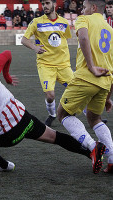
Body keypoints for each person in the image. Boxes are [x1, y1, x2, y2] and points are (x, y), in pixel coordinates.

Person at [57, 0, 113, 173]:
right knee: (94, 119)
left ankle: (92, 147)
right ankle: (112, 159)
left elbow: (82, 37)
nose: (82, 9)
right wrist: (109, 96)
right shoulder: (111, 30)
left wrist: (90, 67)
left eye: (85, 6)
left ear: (93, 8)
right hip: (105, 82)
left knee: (62, 114)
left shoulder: (84, 19)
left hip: (86, 78)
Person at [21, 0, 73, 127]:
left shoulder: (64, 22)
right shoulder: (37, 22)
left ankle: (90, 115)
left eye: (48, 3)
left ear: (54, 4)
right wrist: (35, 47)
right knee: (50, 96)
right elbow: (24, 39)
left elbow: (64, 39)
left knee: (77, 89)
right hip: (45, 65)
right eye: (43, 3)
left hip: (63, 65)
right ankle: (52, 115)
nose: (45, 6)